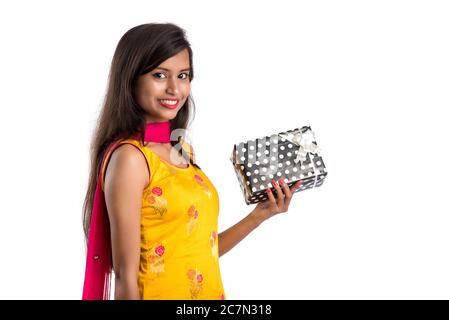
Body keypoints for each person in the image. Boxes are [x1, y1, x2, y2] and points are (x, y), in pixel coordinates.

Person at [82, 22, 303, 300]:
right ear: (131, 78)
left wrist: (260, 215)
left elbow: (200, 250)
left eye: (183, 75)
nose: (174, 89)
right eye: (160, 75)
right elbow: (126, 277)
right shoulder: (131, 159)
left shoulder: (182, 150)